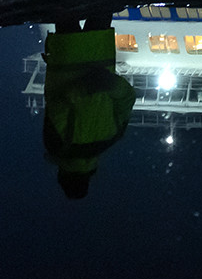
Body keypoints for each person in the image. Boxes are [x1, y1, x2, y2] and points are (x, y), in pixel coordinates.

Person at [41, 16, 136, 199]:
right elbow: (58, 107)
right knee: (66, 2)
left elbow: (127, 98)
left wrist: (109, 84)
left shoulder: (112, 136)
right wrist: (85, 87)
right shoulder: (57, 146)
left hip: (99, 56)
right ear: (62, 175)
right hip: (67, 59)